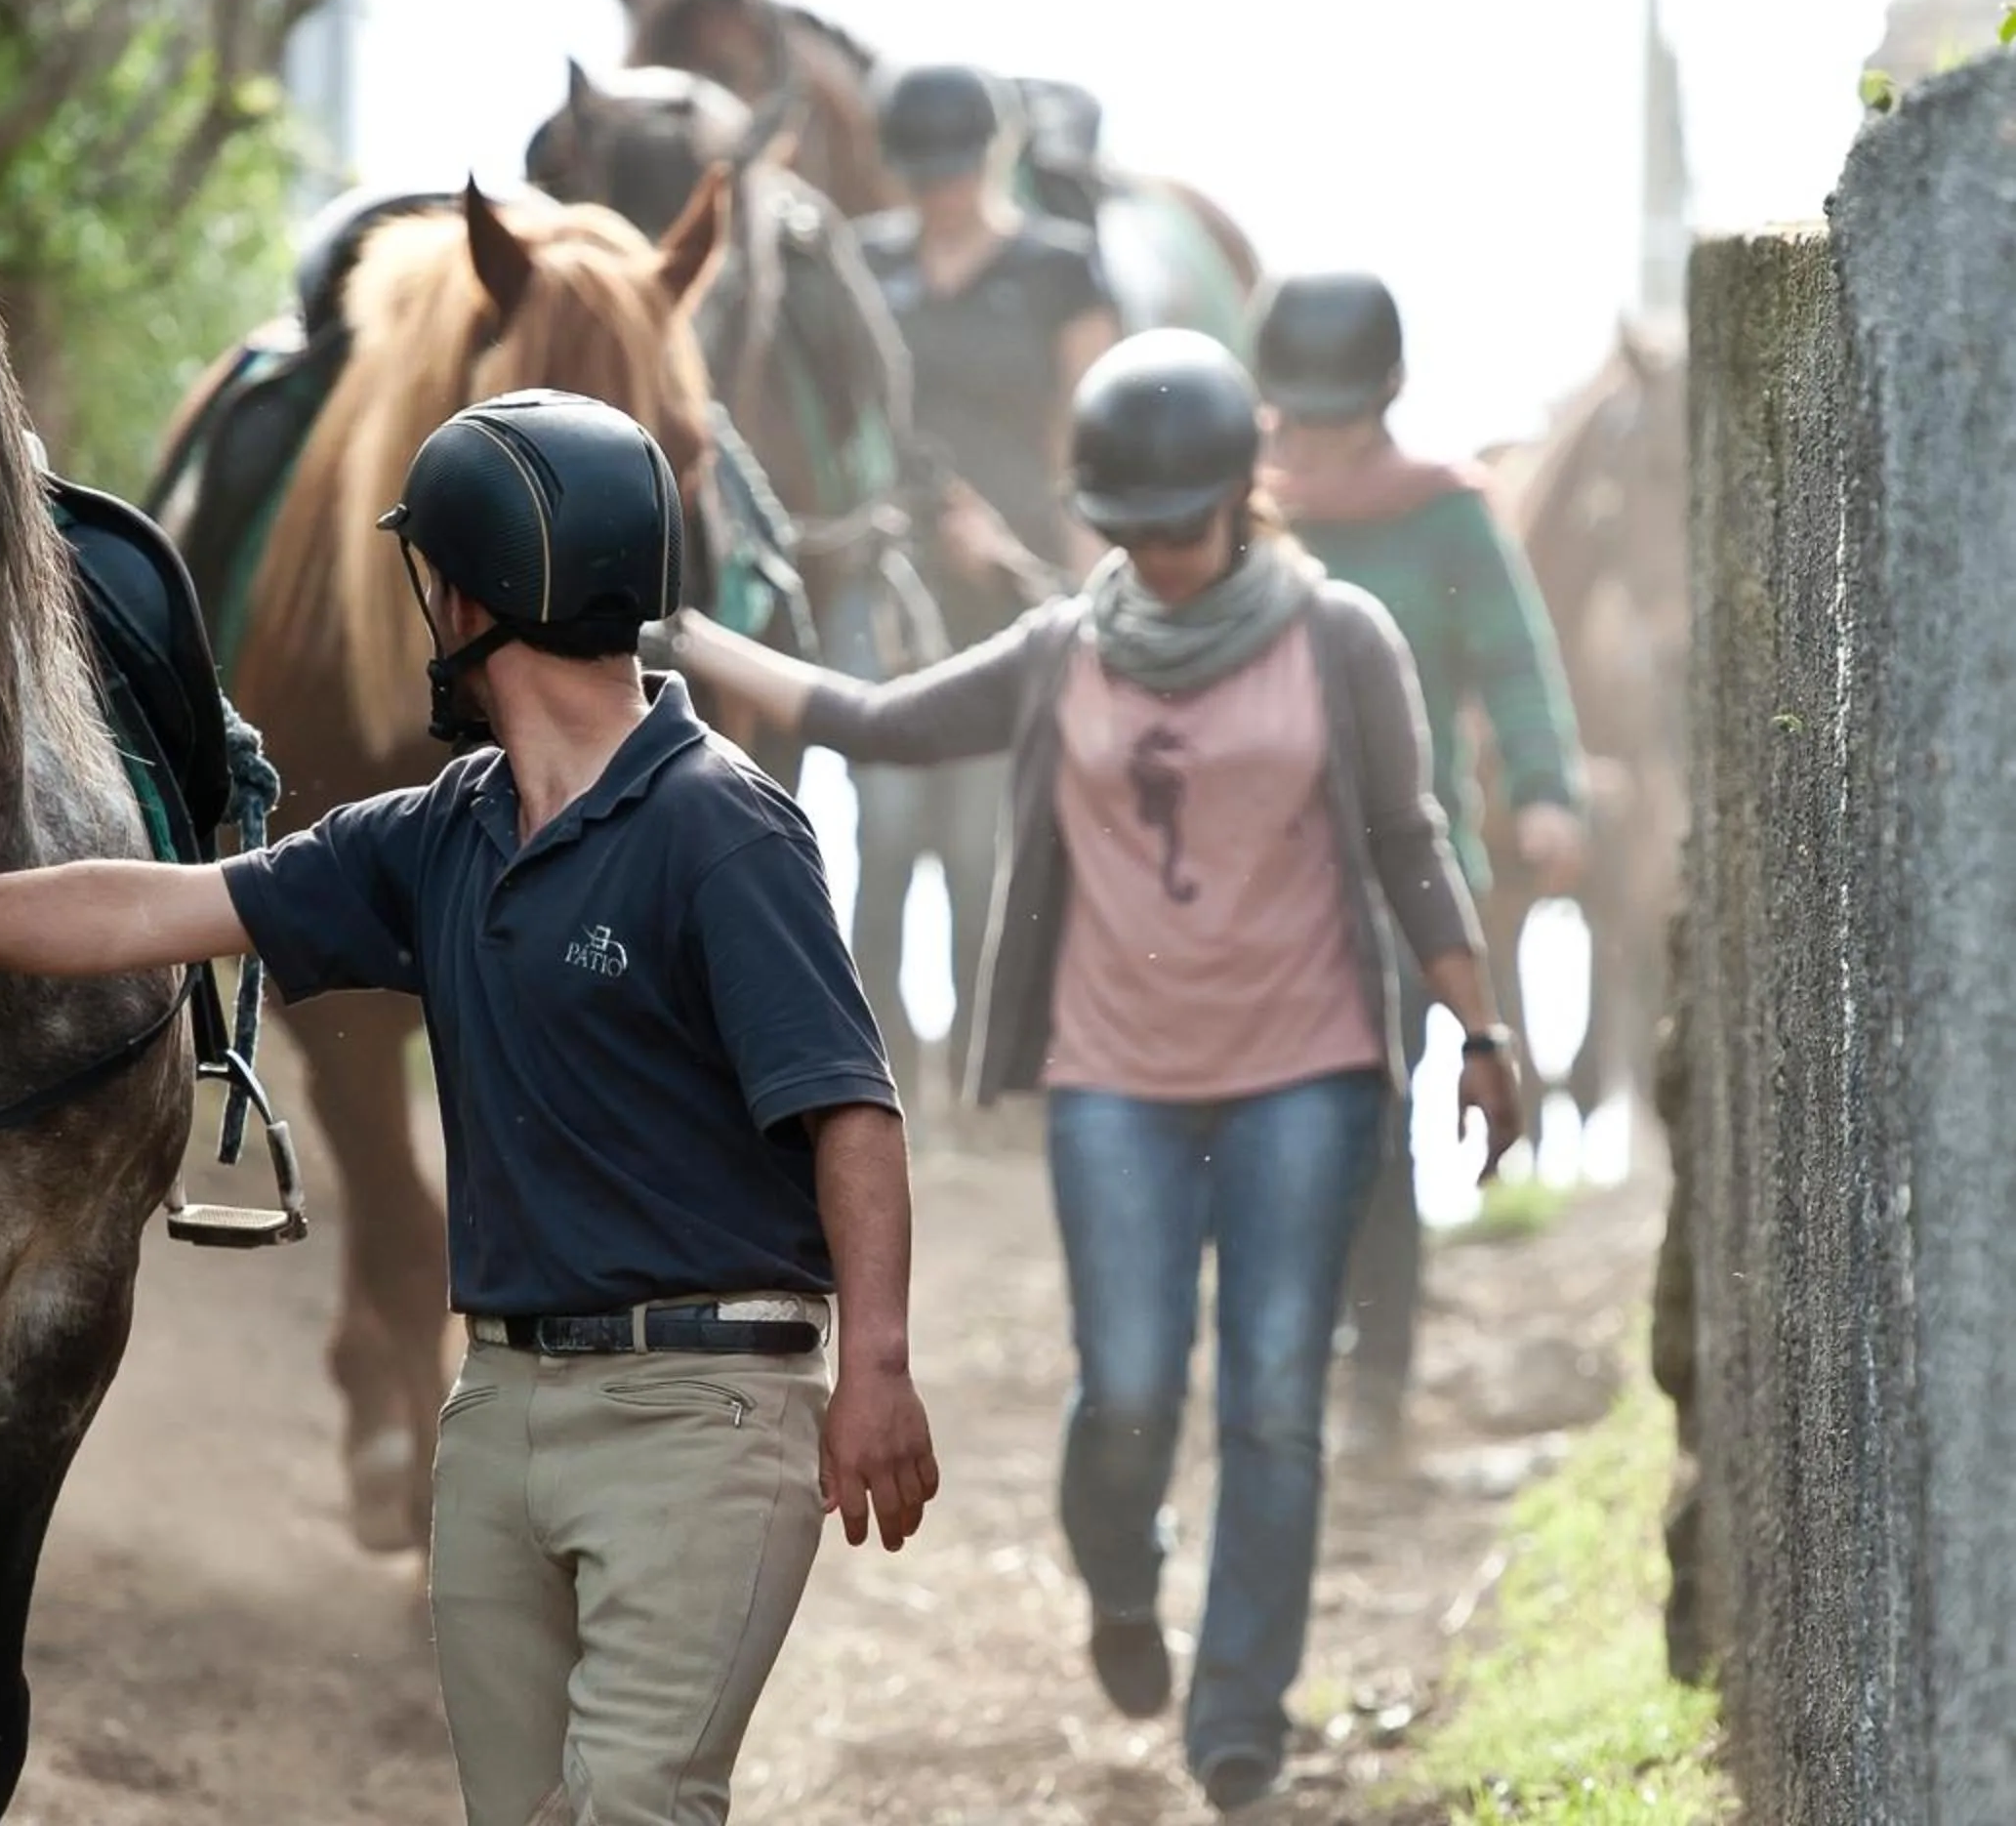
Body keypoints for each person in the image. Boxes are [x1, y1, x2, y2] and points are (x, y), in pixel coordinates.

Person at [0, 390, 938, 1826]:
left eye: (432, 581)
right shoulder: (443, 834)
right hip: (500, 1411)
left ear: (474, 595)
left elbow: (849, 1108)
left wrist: (874, 1364)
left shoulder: (723, 829)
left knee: (637, 1802)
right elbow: (150, 908)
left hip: (705, 1413)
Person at [663, 331, 1524, 1815]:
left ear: (1240, 500)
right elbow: (877, 723)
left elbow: (1409, 842)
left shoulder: (1341, 641)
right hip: (1116, 1080)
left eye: (1182, 527)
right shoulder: (1067, 647)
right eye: (1132, 532)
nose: (1164, 559)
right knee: (1126, 1387)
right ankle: (1123, 1583)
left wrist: (1481, 1031)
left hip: (1306, 1074)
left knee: (1270, 1396)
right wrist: (673, 633)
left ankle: (1239, 1723)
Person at [1253, 271, 1586, 1467]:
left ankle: (1376, 1378)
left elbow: (1514, 661)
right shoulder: (1236, 506)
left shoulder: (1446, 516)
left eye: (1339, 411)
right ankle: (1274, 1362)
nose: (1322, 436)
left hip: (1396, 872)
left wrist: (1547, 788)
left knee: (1377, 1121)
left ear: (1386, 395)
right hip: (1244, 880)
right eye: (1303, 410)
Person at [848, 62, 1122, 1109]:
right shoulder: (868, 261)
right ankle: (878, 1077)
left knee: (977, 843)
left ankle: (981, 1072)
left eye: (956, 169)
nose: (942, 191)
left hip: (1009, 586)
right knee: (881, 829)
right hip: (888, 581)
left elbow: (1082, 424)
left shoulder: (1059, 269)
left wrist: (1054, 562)